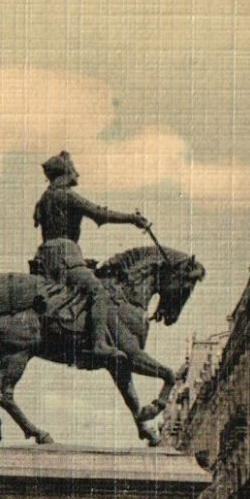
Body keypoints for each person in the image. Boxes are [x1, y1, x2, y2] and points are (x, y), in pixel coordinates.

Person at [31, 150, 150, 364]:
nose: (78, 174)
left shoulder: (45, 198)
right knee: (98, 290)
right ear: (66, 172)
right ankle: (98, 344)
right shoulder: (66, 195)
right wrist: (132, 219)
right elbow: (99, 214)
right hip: (65, 255)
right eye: (74, 169)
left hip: (46, 255)